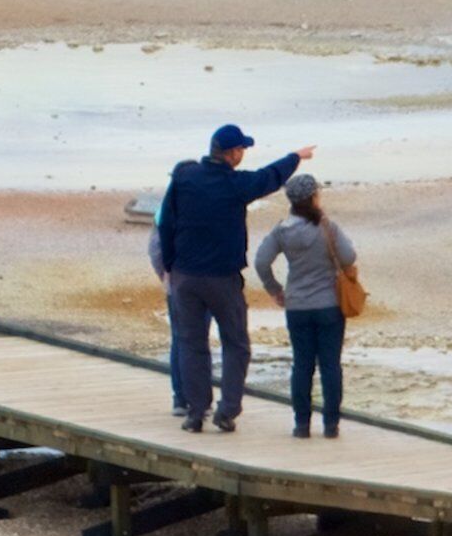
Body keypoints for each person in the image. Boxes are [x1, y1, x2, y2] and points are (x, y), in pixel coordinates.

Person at [153, 121, 313, 435]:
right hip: (222, 278)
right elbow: (269, 177)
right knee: (236, 344)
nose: (243, 155)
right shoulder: (234, 185)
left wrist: (171, 264)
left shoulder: (184, 177)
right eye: (242, 149)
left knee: (191, 344)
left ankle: (195, 413)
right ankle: (227, 412)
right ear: (232, 153)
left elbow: (166, 223)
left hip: (185, 276)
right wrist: (295, 156)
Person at [253, 173, 359, 438]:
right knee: (330, 365)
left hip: (297, 305)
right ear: (313, 197)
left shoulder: (282, 230)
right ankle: (331, 424)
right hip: (328, 305)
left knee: (302, 364)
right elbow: (349, 256)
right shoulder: (326, 227)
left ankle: (302, 424)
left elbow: (261, 262)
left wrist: (274, 289)